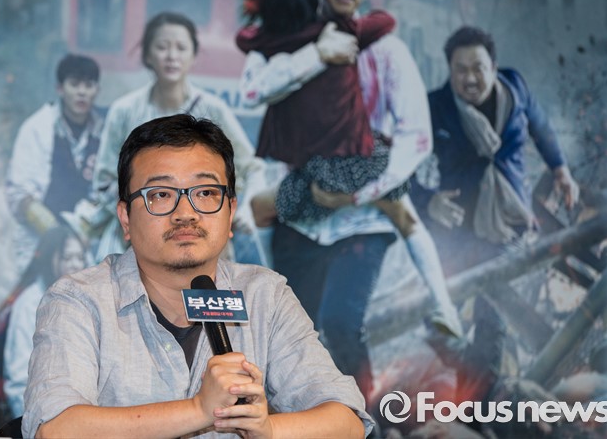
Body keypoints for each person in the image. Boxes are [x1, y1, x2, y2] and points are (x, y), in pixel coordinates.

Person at [22, 114, 372, 438]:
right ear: (126, 218)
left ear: (230, 212)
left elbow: (348, 422)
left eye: (205, 193)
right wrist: (199, 410)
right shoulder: (79, 299)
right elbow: (55, 430)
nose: (185, 213)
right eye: (161, 195)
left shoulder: (264, 295)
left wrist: (267, 429)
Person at [238, 0, 462, 400]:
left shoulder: (387, 51)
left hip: (364, 216)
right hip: (302, 210)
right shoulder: (291, 39)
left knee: (341, 323)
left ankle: (364, 420)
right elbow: (252, 91)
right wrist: (316, 54)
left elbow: (416, 137)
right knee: (285, 333)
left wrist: (361, 193)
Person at [88, 11, 265, 263]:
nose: (172, 56)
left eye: (181, 48)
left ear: (193, 56)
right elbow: (104, 182)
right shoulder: (124, 111)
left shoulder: (213, 109)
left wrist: (243, 208)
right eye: (162, 47)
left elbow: (253, 168)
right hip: (138, 246)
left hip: (203, 241)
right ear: (147, 55)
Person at [411, 26, 580, 274]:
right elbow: (397, 170)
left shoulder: (515, 88)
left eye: (478, 68)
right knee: (453, 297)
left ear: (493, 68)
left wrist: (560, 170)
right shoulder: (434, 108)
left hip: (515, 221)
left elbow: (541, 126)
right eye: (461, 70)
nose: (470, 79)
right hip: (457, 233)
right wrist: (428, 202)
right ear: (450, 71)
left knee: (505, 294)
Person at [236, 0, 400, 223]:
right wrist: (318, 52)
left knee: (269, 211)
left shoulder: (264, 43)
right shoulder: (336, 33)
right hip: (343, 158)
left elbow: (243, 38)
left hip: (302, 160)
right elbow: (385, 21)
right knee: (395, 193)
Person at [5, 53, 103, 273]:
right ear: (60, 88)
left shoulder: (104, 130)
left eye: (88, 85)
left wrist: (80, 235)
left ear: (97, 90)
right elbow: (19, 193)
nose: (82, 92)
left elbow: (107, 190)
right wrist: (56, 235)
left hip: (85, 245)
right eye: (74, 84)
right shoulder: (37, 127)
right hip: (37, 241)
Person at [3, 224, 87, 417]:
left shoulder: (87, 300)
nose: (76, 265)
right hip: (41, 419)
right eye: (67, 258)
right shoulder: (29, 303)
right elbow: (18, 381)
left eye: (80, 257)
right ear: (50, 259)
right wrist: (38, 424)